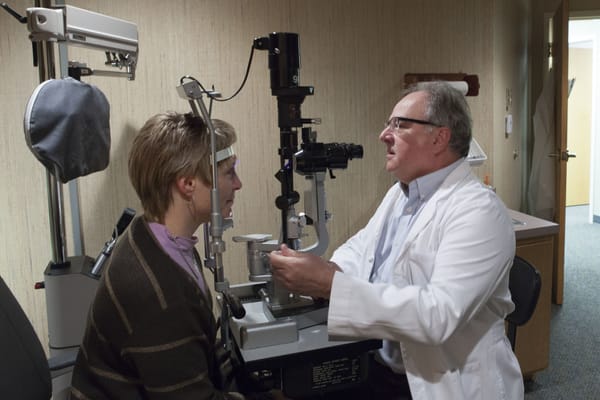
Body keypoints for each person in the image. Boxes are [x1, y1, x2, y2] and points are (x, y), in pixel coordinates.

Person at [269, 81, 524, 400]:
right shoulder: (401, 193)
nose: (383, 134)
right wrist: (327, 268)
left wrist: (330, 284)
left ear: (439, 137)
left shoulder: (479, 212)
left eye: (399, 125)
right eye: (388, 123)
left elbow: (438, 316)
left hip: (449, 383)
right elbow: (361, 249)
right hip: (383, 365)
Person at [71, 112, 283, 399]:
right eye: (229, 172)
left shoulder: (157, 237)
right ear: (187, 184)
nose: (238, 184)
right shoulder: (158, 292)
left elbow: (201, 348)